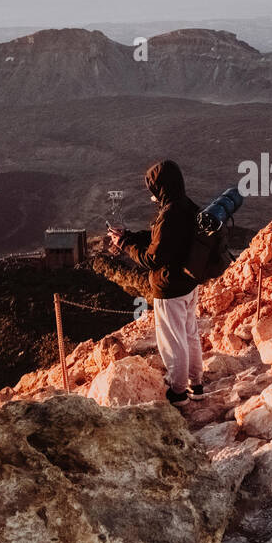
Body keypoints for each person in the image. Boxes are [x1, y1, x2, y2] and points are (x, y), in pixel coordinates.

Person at [106, 159, 204, 404]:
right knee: (190, 334)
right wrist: (130, 236)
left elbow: (152, 258)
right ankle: (197, 385)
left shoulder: (169, 214)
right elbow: (163, 239)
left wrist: (124, 244)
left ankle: (178, 391)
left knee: (173, 340)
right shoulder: (187, 205)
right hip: (189, 283)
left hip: (170, 287)